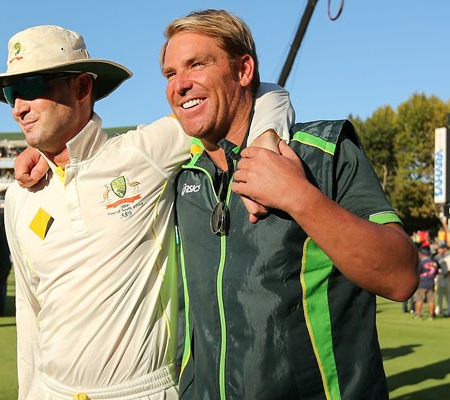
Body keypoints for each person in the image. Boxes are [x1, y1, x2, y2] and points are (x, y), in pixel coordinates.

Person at [0, 24, 293, 399]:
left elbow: (257, 96)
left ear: (83, 88)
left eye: (31, 87)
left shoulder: (145, 152)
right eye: (11, 94)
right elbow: (29, 312)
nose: (19, 108)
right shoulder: (20, 195)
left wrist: (267, 137)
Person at [161, 9, 419, 399]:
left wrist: (298, 195)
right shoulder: (181, 177)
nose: (179, 84)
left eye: (197, 64)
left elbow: (400, 276)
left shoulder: (325, 151)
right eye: (169, 74)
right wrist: (40, 155)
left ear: (244, 70)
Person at [415, 247, 439, 319]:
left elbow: (417, 272)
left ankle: (418, 315)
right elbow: (436, 272)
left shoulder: (421, 262)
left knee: (419, 300)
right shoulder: (434, 262)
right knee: (431, 301)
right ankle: (431, 315)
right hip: (431, 283)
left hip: (422, 283)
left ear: (422, 255)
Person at [434, 242, 450, 316]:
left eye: (440, 248)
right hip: (439, 278)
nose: (439, 250)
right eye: (439, 249)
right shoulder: (437, 257)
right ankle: (438, 310)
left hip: (448, 278)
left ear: (444, 249)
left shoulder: (448, 256)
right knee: (439, 295)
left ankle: (448, 311)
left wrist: (446, 274)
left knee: (448, 295)